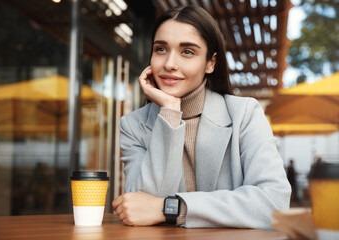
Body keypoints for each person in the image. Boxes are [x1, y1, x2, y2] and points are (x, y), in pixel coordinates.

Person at [112, 5, 291, 229]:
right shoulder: (133, 126)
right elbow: (139, 209)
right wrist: (169, 111)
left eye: (187, 51)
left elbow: (274, 204)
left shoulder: (244, 115)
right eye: (161, 49)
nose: (169, 64)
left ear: (210, 63)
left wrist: (173, 208)